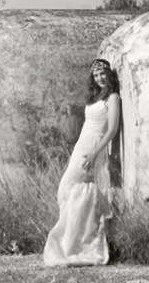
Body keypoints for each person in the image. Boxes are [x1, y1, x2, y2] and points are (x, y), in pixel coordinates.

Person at [43, 59, 122, 267]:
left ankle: (83, 242)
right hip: (82, 146)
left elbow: (112, 129)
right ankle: (74, 241)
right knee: (66, 190)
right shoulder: (95, 97)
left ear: (109, 74)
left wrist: (95, 153)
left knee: (73, 189)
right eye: (96, 75)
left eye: (103, 74)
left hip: (95, 147)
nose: (100, 78)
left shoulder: (113, 98)